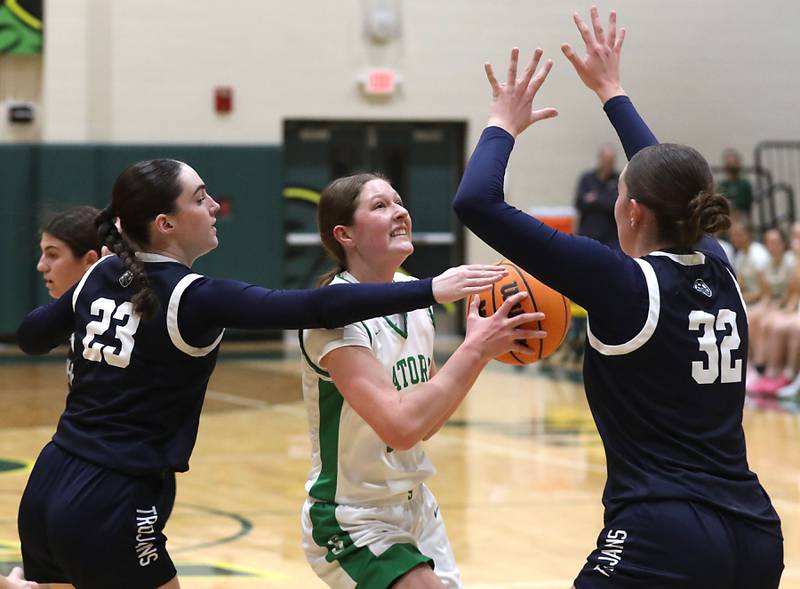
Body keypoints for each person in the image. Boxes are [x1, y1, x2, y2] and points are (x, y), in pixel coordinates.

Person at [15, 159, 508, 589]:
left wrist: (86, 294)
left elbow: (32, 336)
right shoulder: (193, 296)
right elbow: (316, 304)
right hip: (113, 495)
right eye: (201, 198)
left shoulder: (98, 277)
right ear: (165, 223)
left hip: (50, 478)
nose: (214, 207)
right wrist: (431, 289)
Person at [452, 8, 782, 588]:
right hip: (755, 534)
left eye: (622, 191)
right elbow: (673, 184)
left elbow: (476, 202)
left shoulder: (622, 283)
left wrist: (502, 122)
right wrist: (612, 91)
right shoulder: (719, 266)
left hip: (664, 531)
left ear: (631, 210)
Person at [299, 173, 543, 589]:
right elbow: (401, 426)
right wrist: (475, 351)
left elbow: (427, 422)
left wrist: (483, 352)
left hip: (417, 508)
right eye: (380, 206)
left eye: (398, 200)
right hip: (352, 517)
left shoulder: (416, 298)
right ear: (345, 235)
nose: (400, 211)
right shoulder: (332, 320)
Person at [574, 144, 620, 248]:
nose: (608, 164)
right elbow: (579, 204)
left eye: (611, 161)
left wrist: (596, 199)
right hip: (588, 234)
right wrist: (605, 198)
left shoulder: (619, 180)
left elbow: (616, 205)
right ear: (600, 159)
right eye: (606, 160)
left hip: (611, 238)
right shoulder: (587, 179)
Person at [719, 148, 754, 219]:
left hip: (741, 217)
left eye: (734, 163)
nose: (732, 166)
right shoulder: (722, 185)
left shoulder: (745, 185)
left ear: (739, 164)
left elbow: (747, 207)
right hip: (726, 217)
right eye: (729, 164)